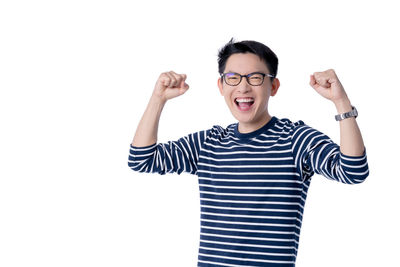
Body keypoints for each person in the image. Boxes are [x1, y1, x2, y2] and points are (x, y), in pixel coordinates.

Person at [128, 38, 369, 267]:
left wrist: (341, 102)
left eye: (255, 78)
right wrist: (158, 99)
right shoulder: (208, 144)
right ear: (221, 86)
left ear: (273, 86)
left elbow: (353, 171)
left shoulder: (296, 140)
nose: (243, 86)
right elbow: (142, 159)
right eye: (232, 77)